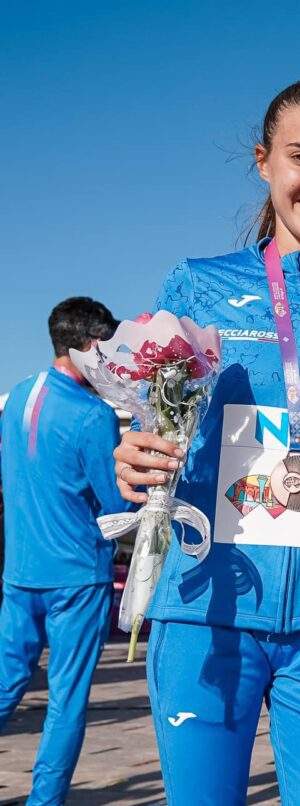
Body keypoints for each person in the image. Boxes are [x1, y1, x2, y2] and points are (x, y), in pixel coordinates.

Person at [112, 80, 300, 805]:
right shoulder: (197, 286)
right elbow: (154, 425)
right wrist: (129, 454)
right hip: (206, 615)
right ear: (264, 161)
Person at [0, 297, 128, 805]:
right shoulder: (94, 415)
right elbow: (117, 504)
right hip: (76, 575)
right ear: (90, 346)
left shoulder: (18, 396)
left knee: (6, 685)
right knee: (65, 702)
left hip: (19, 572)